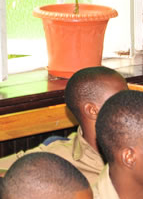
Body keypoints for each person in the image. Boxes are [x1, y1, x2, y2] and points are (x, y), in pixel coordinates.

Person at [0, 67, 129, 181]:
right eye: (122, 100)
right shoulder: (56, 157)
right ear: (92, 110)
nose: (132, 105)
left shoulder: (142, 147)